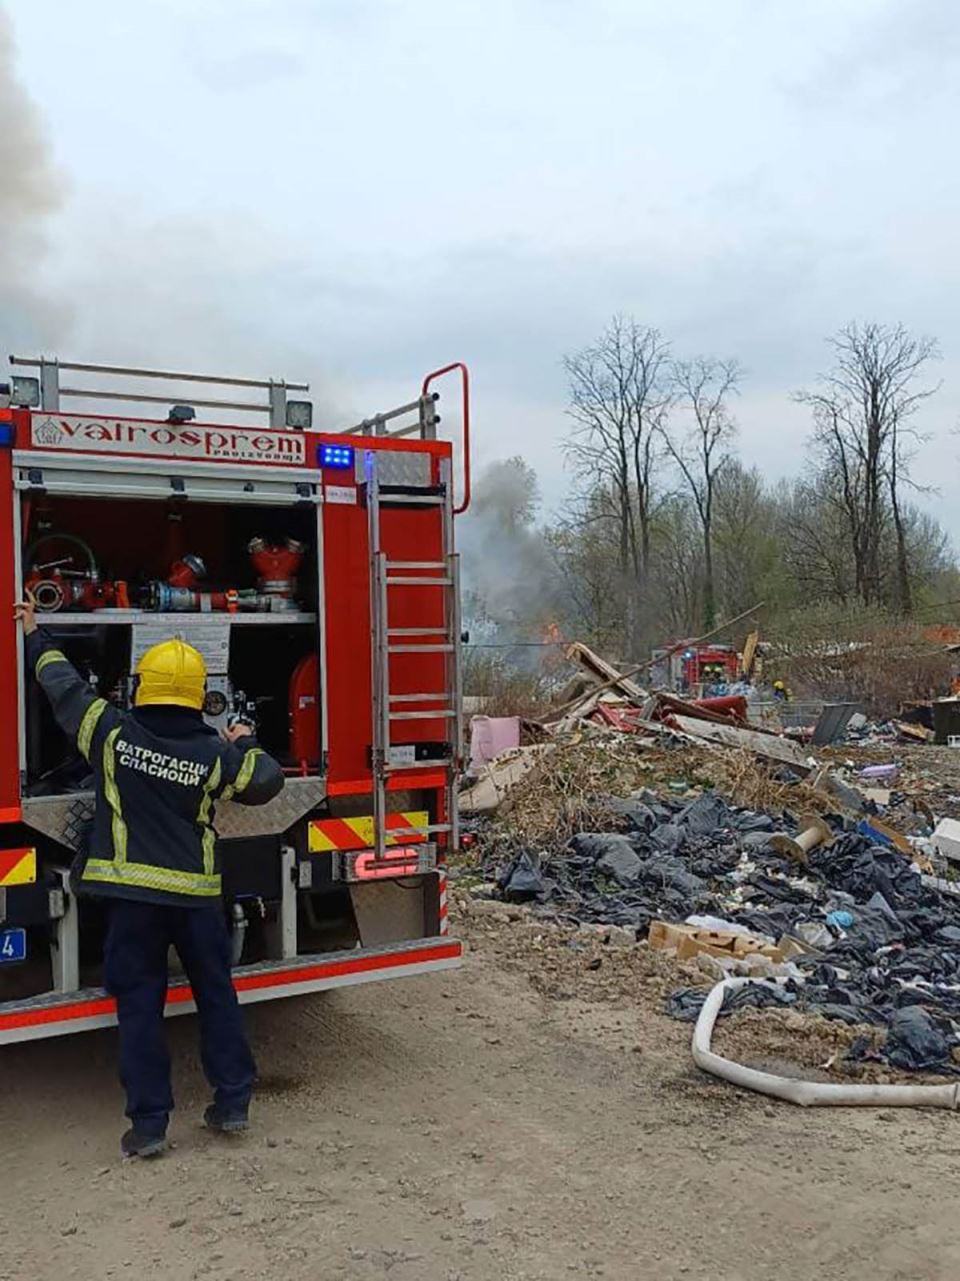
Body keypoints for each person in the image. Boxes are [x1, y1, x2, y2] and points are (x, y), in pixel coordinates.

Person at [15, 591, 284, 1159]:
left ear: (141, 686)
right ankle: (232, 1102)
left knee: (139, 1006)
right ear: (196, 697)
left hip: (132, 901)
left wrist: (35, 633)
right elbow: (266, 781)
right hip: (197, 903)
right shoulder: (215, 756)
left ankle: (150, 1126)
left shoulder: (110, 734)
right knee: (216, 995)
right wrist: (245, 739)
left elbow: (63, 688)